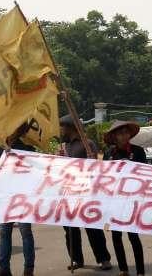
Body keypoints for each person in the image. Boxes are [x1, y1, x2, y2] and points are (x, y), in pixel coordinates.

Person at [59, 115, 113, 272]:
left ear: (71, 128)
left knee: (93, 228)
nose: (61, 130)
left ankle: (103, 259)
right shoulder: (64, 146)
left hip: (87, 193)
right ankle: (76, 259)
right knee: (70, 230)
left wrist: (93, 159)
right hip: (69, 193)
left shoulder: (87, 144)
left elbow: (97, 165)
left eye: (63, 127)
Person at [0, 124, 36, 276]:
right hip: (5, 198)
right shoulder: (0, 150)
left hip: (23, 198)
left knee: (25, 232)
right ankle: (4, 268)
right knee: (5, 232)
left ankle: (28, 268)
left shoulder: (28, 149)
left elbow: (34, 172)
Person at [104, 121, 147, 276]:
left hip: (132, 200)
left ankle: (140, 271)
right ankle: (123, 269)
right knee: (116, 236)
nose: (123, 136)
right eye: (120, 133)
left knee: (133, 236)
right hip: (114, 200)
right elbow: (104, 176)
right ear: (114, 137)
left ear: (130, 135)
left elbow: (146, 174)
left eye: (126, 132)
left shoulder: (138, 151)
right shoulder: (109, 154)